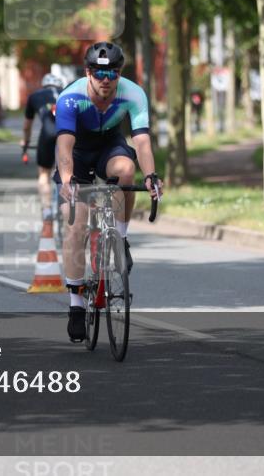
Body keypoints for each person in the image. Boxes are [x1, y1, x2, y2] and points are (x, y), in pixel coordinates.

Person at [55, 42, 162, 342]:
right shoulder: (70, 98)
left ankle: (120, 237)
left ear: (119, 73)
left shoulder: (133, 94)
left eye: (112, 73)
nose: (106, 79)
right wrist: (67, 180)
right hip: (76, 152)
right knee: (76, 225)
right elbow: (63, 146)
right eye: (99, 72)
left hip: (109, 146)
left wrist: (151, 175)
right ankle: (76, 305)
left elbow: (141, 141)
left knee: (127, 171)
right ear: (88, 72)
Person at [22, 73, 65, 222]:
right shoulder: (68, 93)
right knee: (70, 172)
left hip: (47, 134)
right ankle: (71, 204)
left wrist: (26, 142)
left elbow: (27, 126)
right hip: (67, 135)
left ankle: (46, 209)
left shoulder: (35, 96)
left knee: (44, 174)